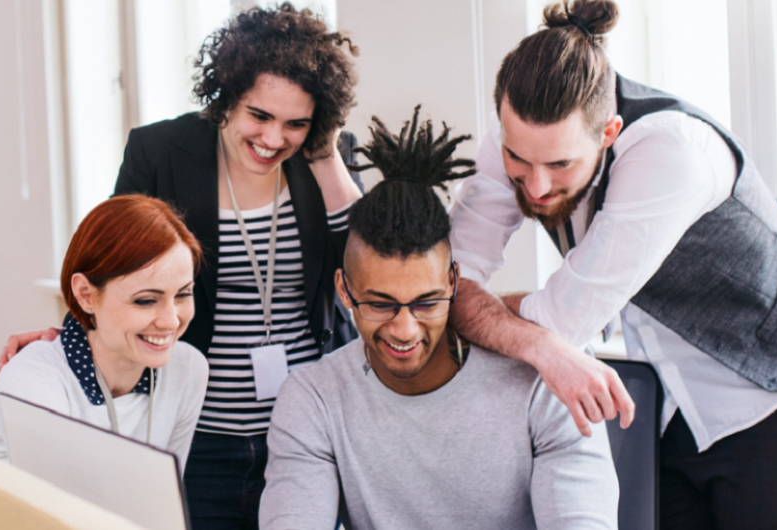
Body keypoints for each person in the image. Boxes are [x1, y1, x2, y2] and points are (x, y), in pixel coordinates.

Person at [447, 1, 777, 528]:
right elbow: (451, 283)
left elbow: (561, 319)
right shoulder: (519, 134)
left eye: (561, 164)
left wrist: (503, 320)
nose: (537, 184)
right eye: (518, 161)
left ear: (608, 133)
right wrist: (520, 331)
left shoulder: (670, 152)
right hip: (672, 402)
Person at [0, 6, 364, 528]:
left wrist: (325, 152)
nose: (274, 138)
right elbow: (115, 262)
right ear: (227, 96)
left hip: (305, 435)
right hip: (199, 433)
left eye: (296, 123)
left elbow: (366, 269)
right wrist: (72, 336)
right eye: (259, 115)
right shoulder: (162, 151)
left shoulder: (321, 159)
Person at [261, 109, 617, 530]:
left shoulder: (547, 384)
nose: (405, 329)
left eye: (426, 303)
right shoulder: (313, 400)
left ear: (454, 282)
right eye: (380, 304)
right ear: (344, 291)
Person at [0, 195, 212, 468]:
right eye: (146, 300)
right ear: (85, 295)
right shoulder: (33, 383)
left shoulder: (187, 368)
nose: (171, 321)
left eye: (182, 295)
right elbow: (55, 509)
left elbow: (165, 500)